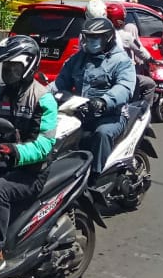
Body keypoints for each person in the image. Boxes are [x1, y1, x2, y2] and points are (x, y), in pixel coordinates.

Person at [0, 35, 59, 278]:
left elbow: (44, 145)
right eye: (5, 67)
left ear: (28, 65)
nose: (8, 72)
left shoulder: (43, 99)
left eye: (13, 67)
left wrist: (14, 151)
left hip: (31, 172)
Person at [54, 16, 136, 174]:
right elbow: (59, 83)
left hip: (112, 116)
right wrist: (40, 95)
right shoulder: (78, 59)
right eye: (89, 37)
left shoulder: (121, 61)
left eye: (95, 37)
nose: (91, 41)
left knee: (102, 134)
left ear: (107, 37)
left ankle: (97, 176)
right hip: (80, 113)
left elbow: (124, 87)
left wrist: (103, 101)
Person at [105, 1, 156, 106]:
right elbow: (140, 51)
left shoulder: (101, 34)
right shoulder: (126, 36)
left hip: (104, 74)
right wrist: (151, 59)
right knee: (150, 84)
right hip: (123, 75)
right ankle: (143, 112)